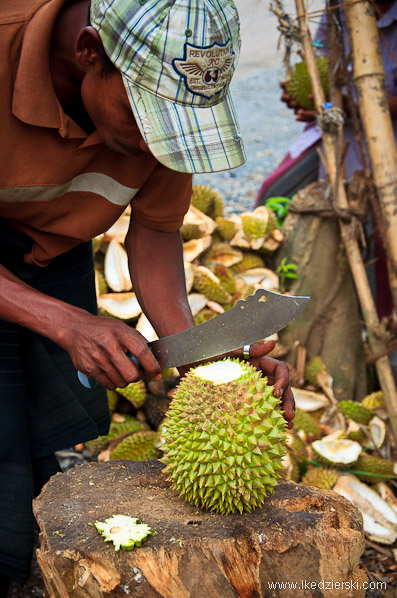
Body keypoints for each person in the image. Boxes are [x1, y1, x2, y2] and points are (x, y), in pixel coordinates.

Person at [0, 0, 295, 591]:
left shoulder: (162, 125)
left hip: (53, 251)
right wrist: (65, 323)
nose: (157, 146)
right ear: (90, 53)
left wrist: (196, 354)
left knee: (32, 443)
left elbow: (156, 231)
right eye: (147, 119)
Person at [257, 0, 397, 320]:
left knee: (374, 234)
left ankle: (372, 319)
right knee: (272, 195)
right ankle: (281, 295)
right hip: (333, 136)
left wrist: (352, 105)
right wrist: (305, 93)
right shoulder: (338, 8)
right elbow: (317, 59)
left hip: (385, 145)